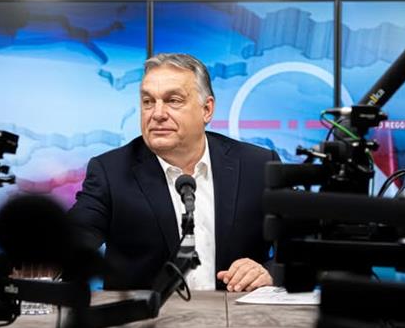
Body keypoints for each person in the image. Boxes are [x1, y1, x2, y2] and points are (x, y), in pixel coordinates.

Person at [68, 53, 279, 291]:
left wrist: (269, 273)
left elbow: (301, 249)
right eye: (148, 101)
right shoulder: (111, 171)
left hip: (238, 313)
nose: (157, 113)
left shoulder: (258, 166)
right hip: (146, 314)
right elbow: (75, 237)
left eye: (173, 100)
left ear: (207, 109)